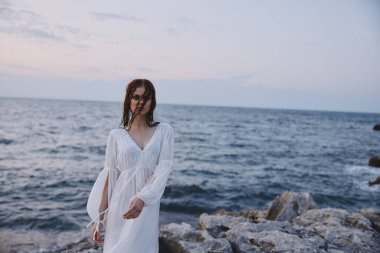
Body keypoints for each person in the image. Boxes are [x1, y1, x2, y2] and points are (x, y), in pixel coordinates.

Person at [86, 79, 174, 252]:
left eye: (146, 98)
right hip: (120, 208)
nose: (141, 102)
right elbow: (110, 178)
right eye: (136, 97)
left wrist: (143, 198)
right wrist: (100, 220)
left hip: (146, 207)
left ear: (152, 102)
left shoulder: (164, 131)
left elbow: (163, 171)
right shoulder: (116, 135)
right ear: (128, 100)